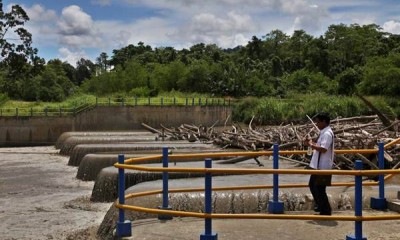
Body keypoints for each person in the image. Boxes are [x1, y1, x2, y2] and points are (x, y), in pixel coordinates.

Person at [304, 112, 334, 215]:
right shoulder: (323, 132)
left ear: (324, 122)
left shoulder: (327, 133)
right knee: (313, 185)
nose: (317, 124)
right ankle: (320, 206)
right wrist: (311, 143)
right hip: (317, 166)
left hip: (323, 167)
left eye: (318, 122)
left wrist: (311, 145)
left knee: (320, 189)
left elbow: (324, 149)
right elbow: (319, 145)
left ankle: (325, 210)